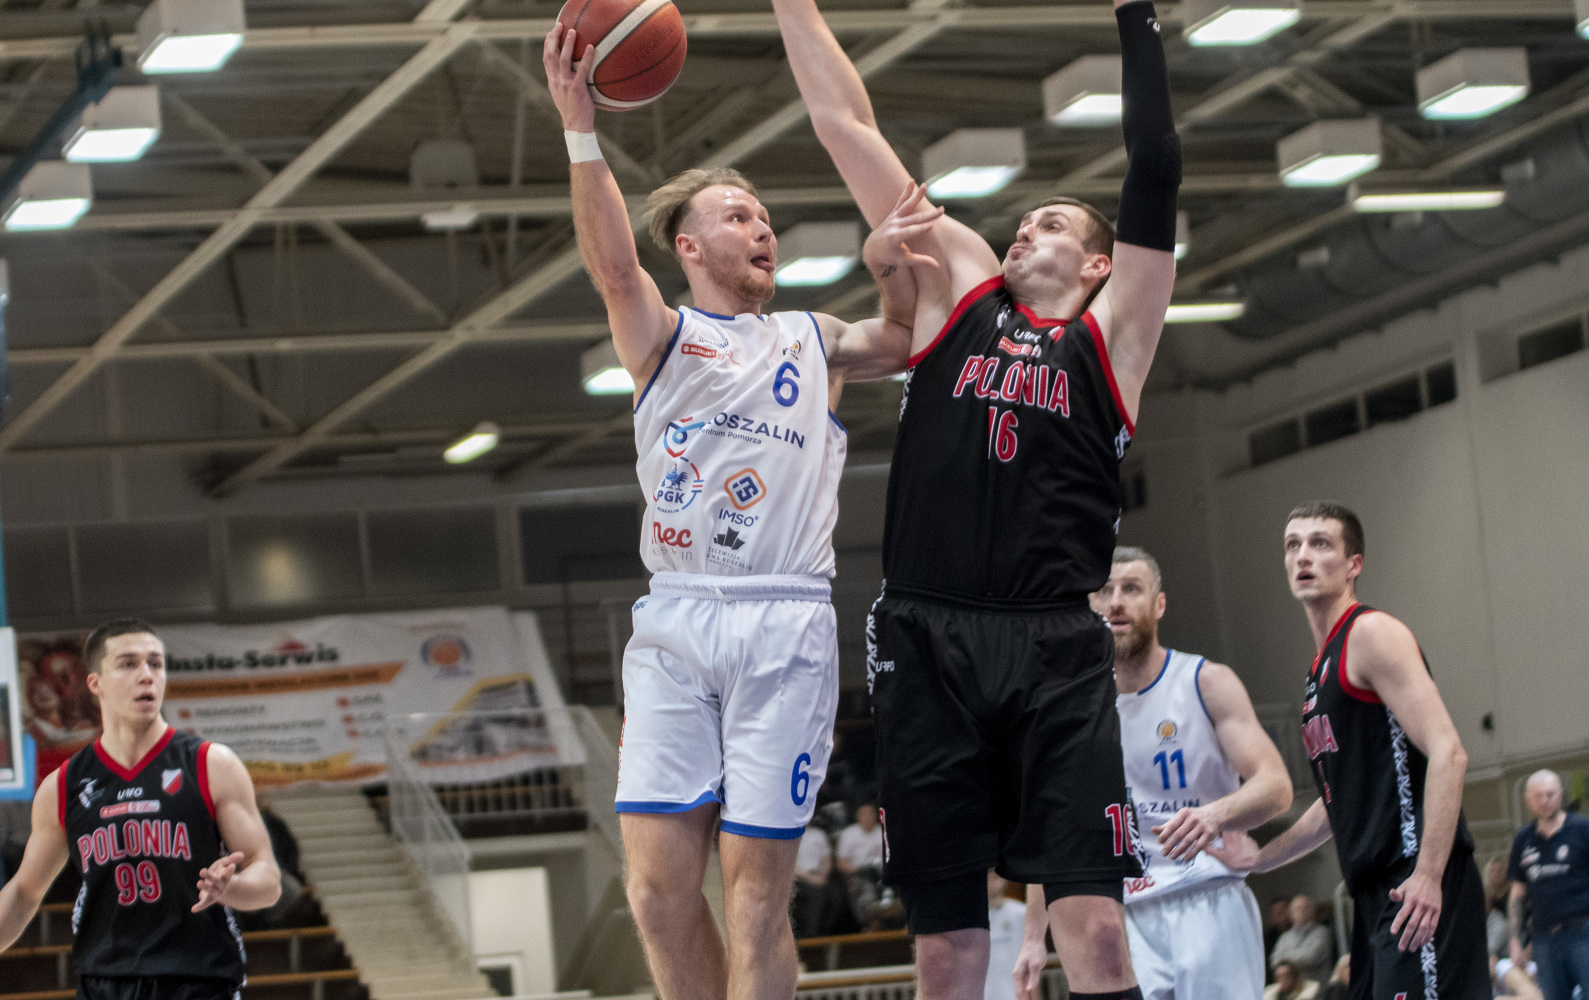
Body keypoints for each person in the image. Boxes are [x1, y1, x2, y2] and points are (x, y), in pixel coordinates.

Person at [769, 0, 1183, 995]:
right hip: (926, 635)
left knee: (1095, 933)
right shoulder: (959, 285)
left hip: (1053, 644)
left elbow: (1155, 165)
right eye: (1021, 219)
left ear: (1096, 264)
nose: (1023, 226)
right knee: (947, 950)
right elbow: (843, 124)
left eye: (1051, 223)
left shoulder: (1113, 337)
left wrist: (1134, 19)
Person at [542, 24, 918, 1000]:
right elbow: (612, 268)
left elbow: (907, 337)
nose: (762, 230)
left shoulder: (811, 336)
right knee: (655, 894)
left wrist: (888, 264)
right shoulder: (662, 335)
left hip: (782, 619)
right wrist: (580, 127)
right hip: (676, 617)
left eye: (766, 219)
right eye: (739, 215)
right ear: (689, 245)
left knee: (754, 900)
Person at [1216, 501, 1490, 999]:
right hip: (1373, 893)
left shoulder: (1371, 634)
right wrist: (1259, 859)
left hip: (1415, 881)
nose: (1303, 555)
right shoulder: (1318, 670)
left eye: (1320, 543)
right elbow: (1335, 803)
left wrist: (1428, 875)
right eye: (1293, 545)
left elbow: (1449, 752)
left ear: (1353, 564)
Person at [0, 619, 281, 1000]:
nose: (147, 675)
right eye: (128, 664)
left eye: (156, 663)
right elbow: (24, 892)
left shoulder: (211, 764)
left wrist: (233, 889)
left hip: (198, 981)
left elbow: (268, 880)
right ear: (95, 683)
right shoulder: (64, 785)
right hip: (105, 983)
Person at [1062, 547, 1292, 1000]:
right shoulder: (1073, 705)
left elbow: (1277, 786)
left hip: (1207, 894)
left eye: (1132, 589)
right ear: (1089, 607)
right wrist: (1033, 936)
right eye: (1105, 591)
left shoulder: (1206, 681)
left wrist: (1215, 814)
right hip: (1126, 909)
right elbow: (1053, 827)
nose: (1116, 602)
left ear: (1159, 604)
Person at [1507, 769, 1589, 1000]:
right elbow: (1517, 894)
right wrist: (1515, 940)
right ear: (1528, 800)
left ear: (1560, 795)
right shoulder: (1523, 839)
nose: (1545, 800)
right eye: (1539, 795)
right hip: (1544, 939)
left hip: (1583, 933)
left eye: (1550, 794)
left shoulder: (1582, 829)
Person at [1269, 896, 1333, 985]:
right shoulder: (1285, 937)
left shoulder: (1322, 932)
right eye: (1297, 908)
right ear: (1290, 913)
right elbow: (1274, 960)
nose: (1301, 911)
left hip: (1315, 985)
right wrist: (1296, 957)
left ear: (1312, 911)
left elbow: (1310, 958)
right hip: (1291, 988)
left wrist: (1285, 958)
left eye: (1304, 908)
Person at [987, 872, 1025, 1000]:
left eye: (995, 877)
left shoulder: (1021, 913)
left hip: (1013, 994)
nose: (991, 882)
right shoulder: (969, 919)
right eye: (987, 877)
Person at [793, 822, 836, 938]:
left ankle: (827, 934)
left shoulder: (819, 834)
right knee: (817, 892)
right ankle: (811, 935)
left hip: (818, 875)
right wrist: (810, 878)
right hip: (798, 878)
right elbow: (791, 867)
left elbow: (826, 859)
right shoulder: (790, 833)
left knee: (836, 893)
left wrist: (824, 875)